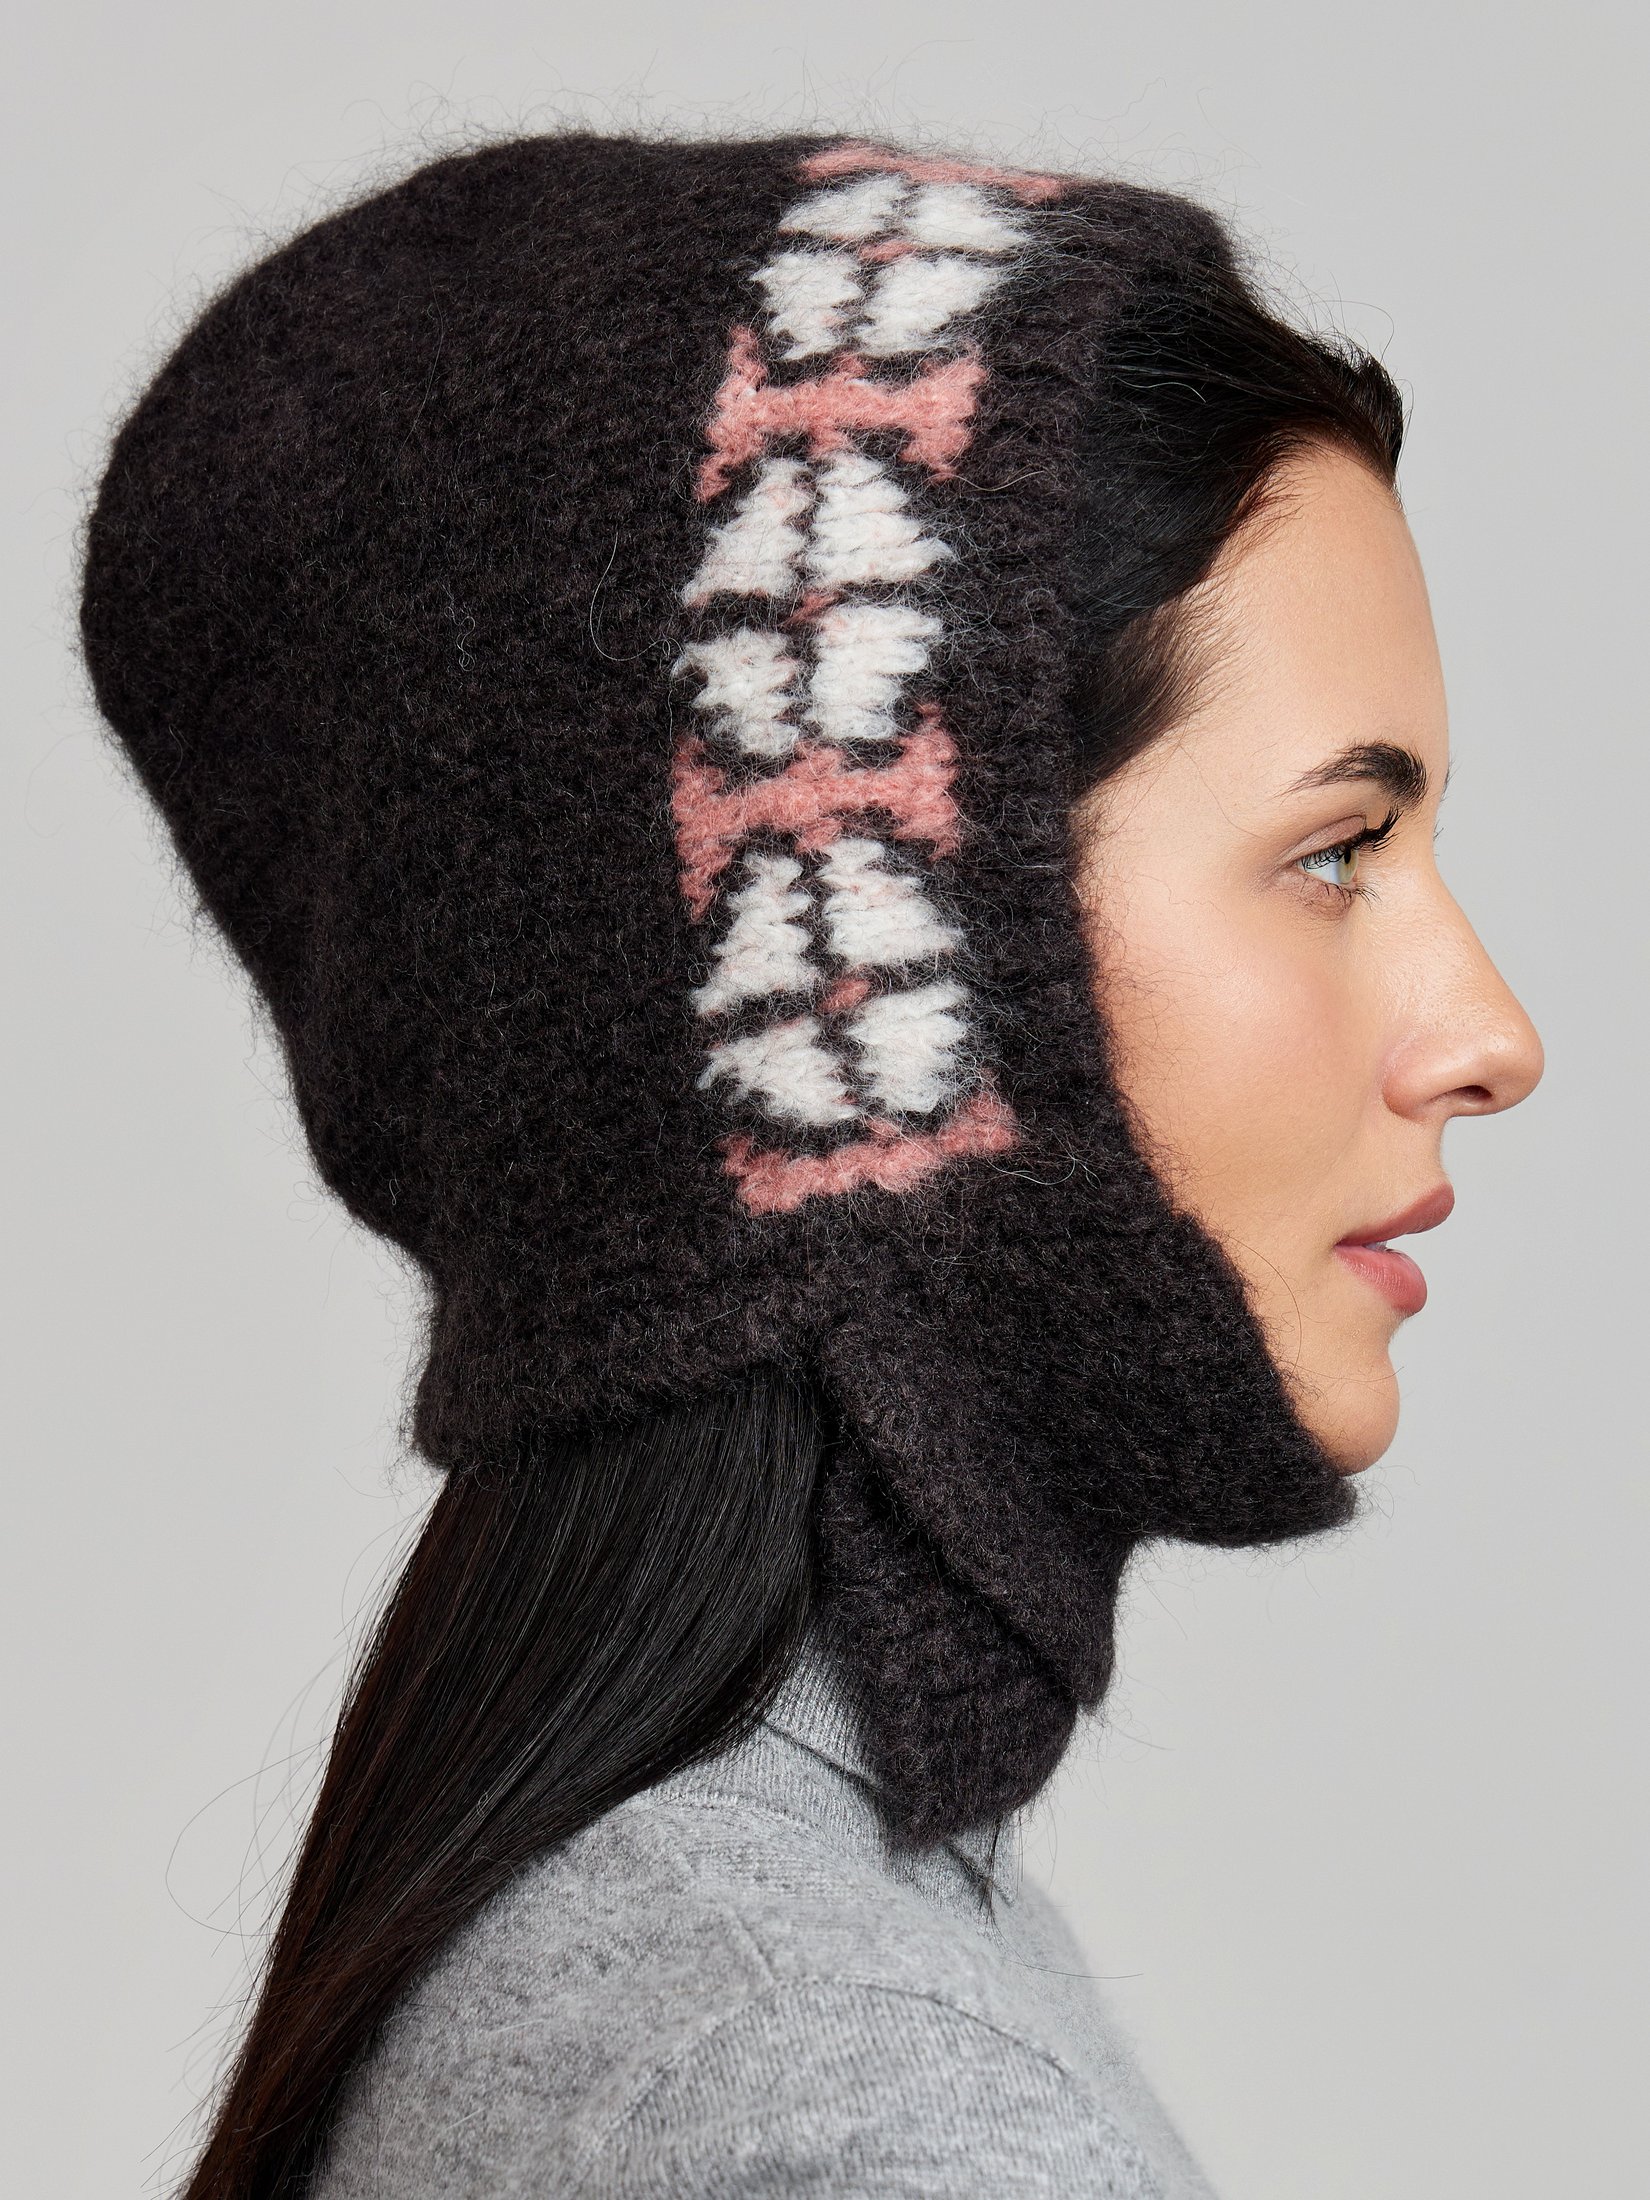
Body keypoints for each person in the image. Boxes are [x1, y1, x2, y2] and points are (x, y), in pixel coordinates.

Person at [79, 129, 1542, 2199]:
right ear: (882, 979)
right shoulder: (844, 2094)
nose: (1489, 1034)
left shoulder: (717, 1966)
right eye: (1334, 853)